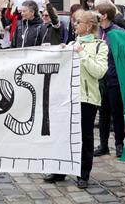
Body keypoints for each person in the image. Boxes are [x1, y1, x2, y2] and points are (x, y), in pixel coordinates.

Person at [45, 10, 108, 186]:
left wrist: (81, 52)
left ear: (88, 26)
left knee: (85, 137)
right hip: (67, 97)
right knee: (62, 135)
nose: (75, 25)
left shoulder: (99, 45)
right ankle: (60, 171)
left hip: (87, 97)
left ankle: (83, 174)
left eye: (78, 22)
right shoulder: (72, 43)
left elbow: (99, 71)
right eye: (75, 22)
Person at [92, 0, 125, 158]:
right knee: (103, 113)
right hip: (100, 79)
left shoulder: (118, 33)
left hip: (114, 79)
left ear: (104, 15)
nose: (93, 14)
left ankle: (119, 144)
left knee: (116, 112)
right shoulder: (97, 31)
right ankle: (103, 144)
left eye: (96, 12)